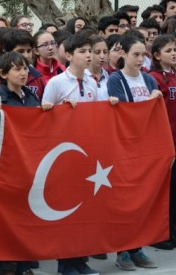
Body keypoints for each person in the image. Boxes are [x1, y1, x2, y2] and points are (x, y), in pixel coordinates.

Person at [41, 34, 118, 275]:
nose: (88, 55)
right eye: (83, 51)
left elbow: (96, 116)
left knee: (85, 210)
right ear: (69, 55)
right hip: (65, 155)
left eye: (90, 51)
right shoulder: (57, 83)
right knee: (67, 210)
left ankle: (80, 259)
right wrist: (59, 110)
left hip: (87, 154)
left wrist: (111, 104)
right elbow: (44, 116)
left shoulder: (93, 83)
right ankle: (66, 263)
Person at [107, 35, 160, 271]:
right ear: (123, 55)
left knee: (141, 199)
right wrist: (150, 101)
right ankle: (123, 250)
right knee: (124, 200)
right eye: (135, 54)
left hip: (145, 148)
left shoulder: (149, 79)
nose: (140, 59)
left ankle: (137, 246)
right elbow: (126, 114)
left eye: (143, 55)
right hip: (123, 148)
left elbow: (155, 116)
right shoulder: (115, 79)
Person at [0, 52, 41, 275]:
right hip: (7, 166)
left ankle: (24, 264)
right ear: (3, 74)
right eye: (17, 69)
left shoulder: (31, 96)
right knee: (8, 216)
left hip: (29, 165)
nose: (23, 73)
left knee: (26, 215)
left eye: (25, 68)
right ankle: (6, 264)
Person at [148, 34, 176, 250]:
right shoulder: (153, 78)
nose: (175, 53)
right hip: (166, 144)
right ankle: (162, 232)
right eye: (168, 50)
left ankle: (175, 224)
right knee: (165, 191)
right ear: (156, 55)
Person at [0, 29, 46, 100]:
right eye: (20, 51)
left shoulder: (37, 76)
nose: (26, 56)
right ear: (7, 52)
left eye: (29, 51)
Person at [85, 35, 109, 100]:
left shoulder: (109, 76)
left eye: (105, 52)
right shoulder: (81, 77)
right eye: (97, 52)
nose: (102, 56)